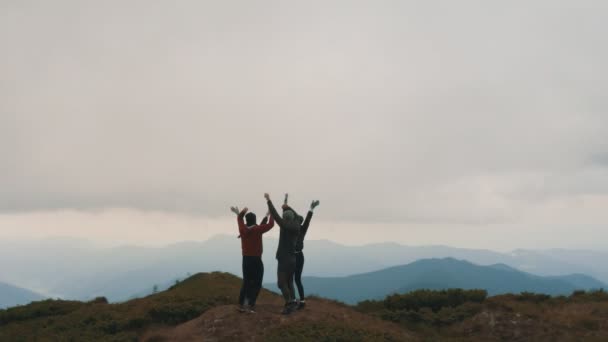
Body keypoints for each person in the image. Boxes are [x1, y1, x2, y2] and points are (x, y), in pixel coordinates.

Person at [230, 205, 274, 313]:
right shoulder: (257, 230)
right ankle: (250, 304)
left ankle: (241, 304)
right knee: (257, 282)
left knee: (246, 281)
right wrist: (272, 213)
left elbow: (240, 219)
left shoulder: (243, 229)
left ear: (246, 221)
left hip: (245, 259)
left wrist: (242, 212)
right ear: (255, 221)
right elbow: (270, 224)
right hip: (256, 260)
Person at [264, 193, 300, 315]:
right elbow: (298, 216)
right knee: (289, 281)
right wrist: (286, 205)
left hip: (284, 259)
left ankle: (289, 303)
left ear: (285, 218)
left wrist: (268, 200)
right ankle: (294, 301)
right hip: (293, 259)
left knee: (281, 283)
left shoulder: (285, 226)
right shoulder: (297, 224)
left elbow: (275, 215)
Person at [282, 198, 320, 309]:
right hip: (300, 256)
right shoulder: (302, 229)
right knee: (297, 279)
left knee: (290, 278)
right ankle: (302, 301)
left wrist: (287, 207)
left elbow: (290, 217)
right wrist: (311, 209)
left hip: (291, 256)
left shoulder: (290, 229)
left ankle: (293, 300)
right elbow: (307, 220)